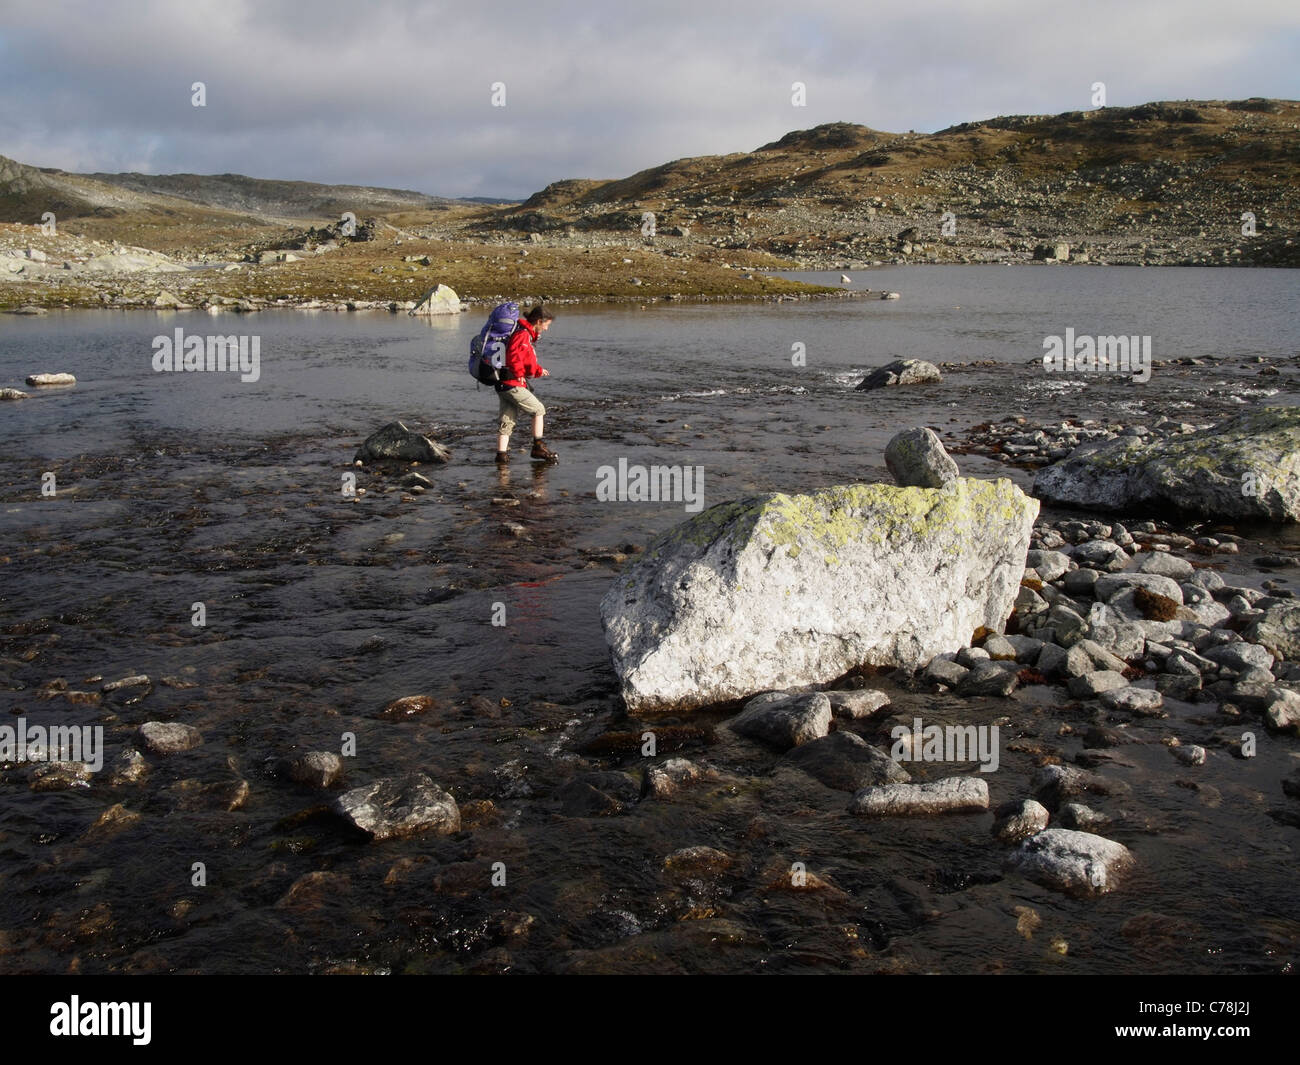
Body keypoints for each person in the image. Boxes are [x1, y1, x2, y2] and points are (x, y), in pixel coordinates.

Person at [495, 305, 558, 464]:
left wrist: (538, 370)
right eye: (547, 325)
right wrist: (523, 374)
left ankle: (501, 456)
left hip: (501, 383)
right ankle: (538, 446)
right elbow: (518, 357)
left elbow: (522, 358)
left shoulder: (519, 332)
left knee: (507, 420)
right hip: (512, 383)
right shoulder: (523, 335)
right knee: (539, 410)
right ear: (538, 321)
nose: (546, 328)